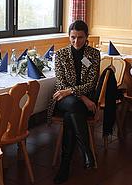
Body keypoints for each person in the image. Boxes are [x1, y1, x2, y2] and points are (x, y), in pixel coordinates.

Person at [47, 20, 100, 184]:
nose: (76, 41)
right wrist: (82, 97)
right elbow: (61, 83)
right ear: (69, 36)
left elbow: (91, 83)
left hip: (77, 101)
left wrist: (74, 93)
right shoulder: (61, 54)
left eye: (80, 37)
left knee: (71, 115)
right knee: (75, 106)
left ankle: (65, 165)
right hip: (64, 99)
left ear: (87, 37)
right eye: (73, 37)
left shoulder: (93, 54)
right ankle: (86, 151)